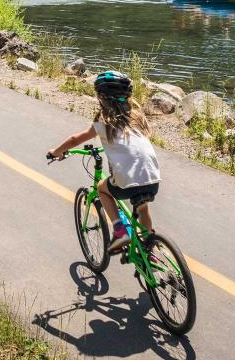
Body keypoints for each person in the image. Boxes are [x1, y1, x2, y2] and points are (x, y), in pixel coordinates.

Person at [47, 71, 160, 255]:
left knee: (102, 188)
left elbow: (76, 139)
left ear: (101, 97)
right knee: (142, 207)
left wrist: (55, 152)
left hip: (127, 181)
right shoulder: (137, 117)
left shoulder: (103, 121)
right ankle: (149, 251)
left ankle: (120, 231)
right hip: (153, 177)